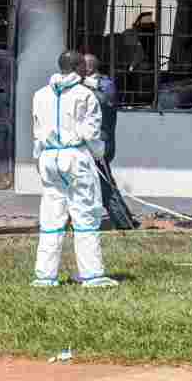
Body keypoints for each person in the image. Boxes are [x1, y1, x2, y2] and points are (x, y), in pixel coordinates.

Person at [30, 50, 118, 288]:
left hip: (49, 158)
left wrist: (39, 157)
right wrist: (99, 154)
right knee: (85, 214)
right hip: (75, 156)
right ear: (79, 67)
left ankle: (44, 276)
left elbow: (37, 131)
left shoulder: (39, 95)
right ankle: (92, 275)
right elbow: (91, 133)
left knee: (51, 216)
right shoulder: (85, 95)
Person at [80, 53, 140, 230]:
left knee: (105, 186)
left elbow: (106, 101)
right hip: (88, 144)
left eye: (80, 67)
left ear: (89, 68)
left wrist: (86, 86)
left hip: (101, 145)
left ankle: (125, 223)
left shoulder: (106, 84)